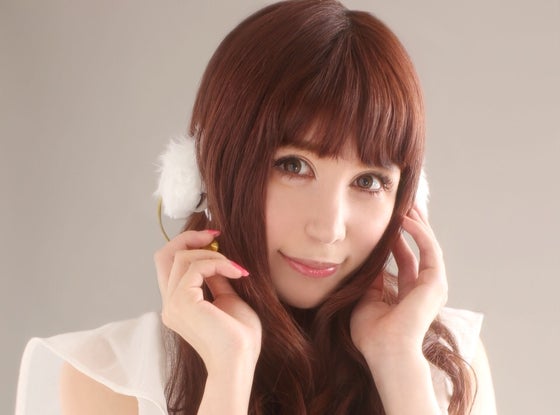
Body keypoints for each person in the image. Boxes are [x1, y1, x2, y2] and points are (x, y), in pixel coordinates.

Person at [15, 0, 497, 414]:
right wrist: (229, 367)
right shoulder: (110, 378)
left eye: (368, 181)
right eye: (293, 165)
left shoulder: (440, 361)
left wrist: (397, 362)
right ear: (207, 171)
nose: (328, 228)